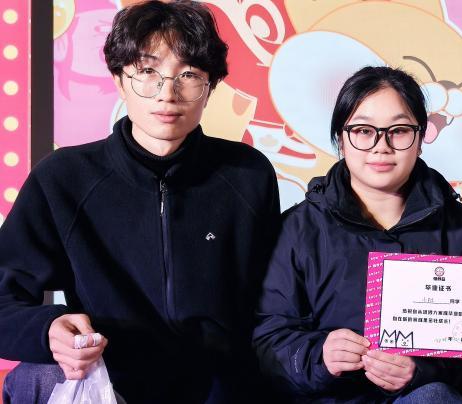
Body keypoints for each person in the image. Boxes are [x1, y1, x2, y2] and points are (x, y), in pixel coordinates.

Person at [0, 1, 280, 402]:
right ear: (119, 79)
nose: (167, 93)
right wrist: (47, 329)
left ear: (210, 88)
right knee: (34, 378)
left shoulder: (247, 175)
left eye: (189, 75)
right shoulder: (63, 178)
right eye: (147, 72)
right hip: (110, 385)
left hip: (221, 388)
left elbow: (275, 302)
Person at [252, 66, 462, 403]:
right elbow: (267, 337)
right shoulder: (297, 228)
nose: (381, 146)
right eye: (363, 131)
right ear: (341, 139)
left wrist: (419, 371)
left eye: (399, 131)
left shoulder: (460, 227)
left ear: (420, 138)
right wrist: (320, 355)